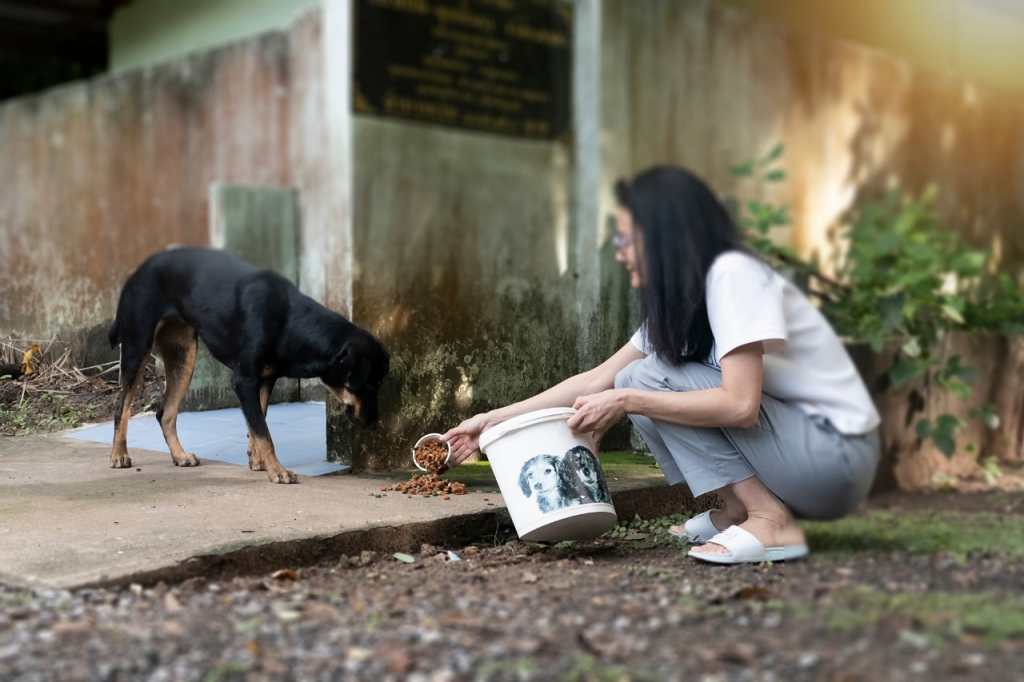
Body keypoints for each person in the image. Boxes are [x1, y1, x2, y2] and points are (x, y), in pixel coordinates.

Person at [443, 166, 880, 564]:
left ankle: (770, 519)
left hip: (835, 457)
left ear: (662, 236)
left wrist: (629, 400)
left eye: (624, 240)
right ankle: (736, 511)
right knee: (634, 376)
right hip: (802, 457)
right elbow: (597, 379)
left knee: (643, 381)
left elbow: (740, 405)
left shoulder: (733, 274)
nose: (619, 253)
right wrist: (491, 421)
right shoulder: (686, 300)